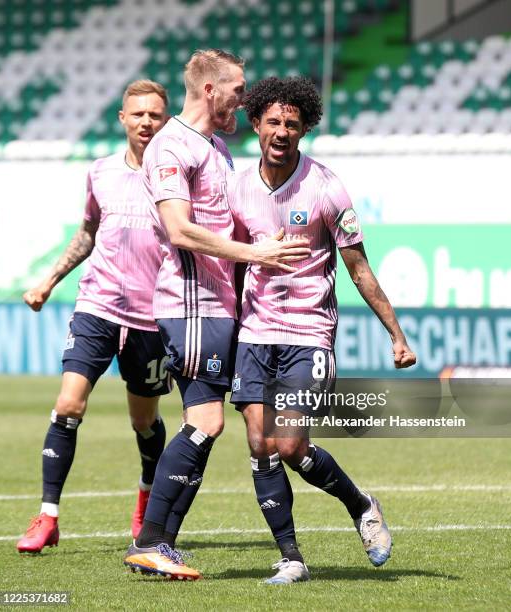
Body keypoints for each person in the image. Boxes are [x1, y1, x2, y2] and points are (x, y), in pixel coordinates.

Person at [123, 50, 311, 581]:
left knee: (207, 424)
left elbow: (224, 222)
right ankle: (154, 539)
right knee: (204, 422)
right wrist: (255, 255)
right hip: (190, 304)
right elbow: (179, 229)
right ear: (210, 90)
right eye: (238, 89)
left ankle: (156, 544)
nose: (244, 99)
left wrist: (261, 240)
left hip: (220, 305)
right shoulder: (171, 146)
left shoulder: (218, 147)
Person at [228, 76, 417, 584]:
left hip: (309, 332)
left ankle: (361, 505)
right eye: (273, 122)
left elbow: (358, 267)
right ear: (257, 125)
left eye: (293, 123)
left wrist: (396, 334)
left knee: (289, 445)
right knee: (259, 444)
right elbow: (235, 265)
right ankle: (291, 559)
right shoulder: (237, 188)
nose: (282, 131)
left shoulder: (326, 186)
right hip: (254, 333)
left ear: (305, 127)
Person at [17, 80, 173, 553]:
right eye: (138, 114)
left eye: (156, 115)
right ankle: (47, 517)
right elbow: (88, 232)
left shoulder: (176, 179)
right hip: (97, 307)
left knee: (144, 421)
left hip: (153, 319)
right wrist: (49, 280)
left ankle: (146, 496)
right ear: (122, 119)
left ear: (166, 122)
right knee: (68, 405)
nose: (147, 122)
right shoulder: (101, 172)